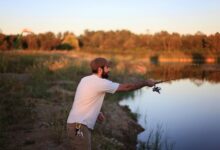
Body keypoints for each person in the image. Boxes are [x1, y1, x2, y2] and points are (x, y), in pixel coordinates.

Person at [66, 57, 158, 150]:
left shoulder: (85, 79)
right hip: (79, 127)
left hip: (75, 125)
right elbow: (127, 87)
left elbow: (84, 98)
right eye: (107, 67)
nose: (109, 70)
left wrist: (97, 112)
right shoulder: (101, 82)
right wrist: (145, 83)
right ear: (99, 69)